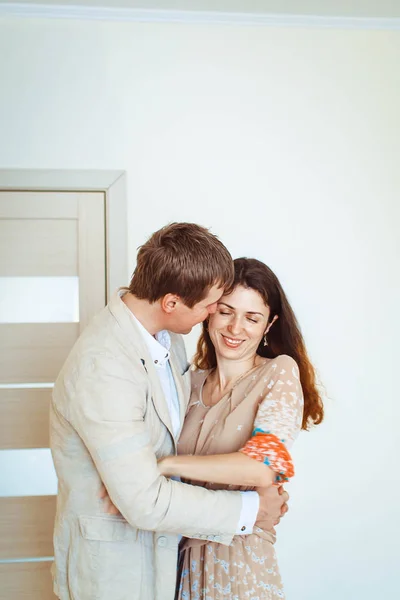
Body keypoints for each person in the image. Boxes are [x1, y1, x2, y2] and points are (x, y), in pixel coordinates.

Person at [50, 224, 288, 600]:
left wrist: (165, 468)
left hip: (175, 561)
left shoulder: (169, 341)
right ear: (172, 303)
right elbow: (143, 502)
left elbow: (172, 454)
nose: (216, 314)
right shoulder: (104, 366)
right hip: (117, 572)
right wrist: (251, 508)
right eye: (213, 305)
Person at [157, 257, 324, 599]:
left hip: (239, 565)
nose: (236, 328)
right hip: (174, 560)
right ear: (209, 312)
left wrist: (164, 465)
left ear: (269, 324)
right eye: (226, 312)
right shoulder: (186, 381)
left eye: (252, 317)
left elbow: (262, 468)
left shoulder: (278, 373)